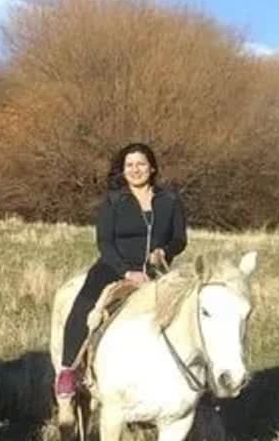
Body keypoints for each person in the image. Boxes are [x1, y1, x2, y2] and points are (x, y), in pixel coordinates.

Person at [54, 142, 188, 399]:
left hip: (156, 270)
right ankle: (68, 369)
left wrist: (165, 252)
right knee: (83, 304)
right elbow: (104, 242)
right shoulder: (113, 202)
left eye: (141, 164)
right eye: (130, 165)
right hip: (114, 266)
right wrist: (127, 272)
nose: (135, 169)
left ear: (152, 168)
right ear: (123, 170)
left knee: (192, 308)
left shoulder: (170, 201)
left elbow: (179, 238)